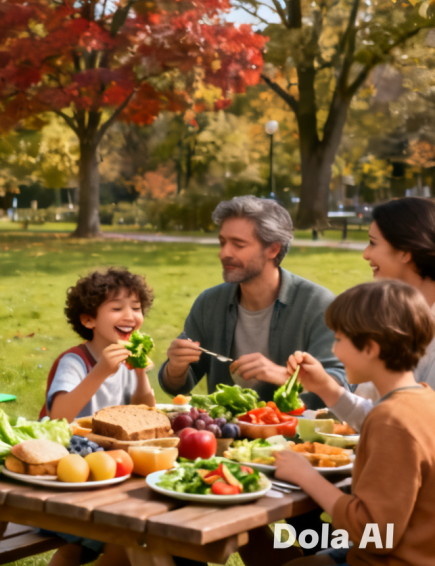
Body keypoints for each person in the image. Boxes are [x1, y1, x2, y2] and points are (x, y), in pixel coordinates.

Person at [276, 280, 435, 566]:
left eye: (338, 339)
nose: (334, 352)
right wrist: (325, 386)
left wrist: (306, 476)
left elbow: (375, 534)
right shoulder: (423, 400)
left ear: (370, 348)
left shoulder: (392, 421)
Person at [158, 196, 346, 408]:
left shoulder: (318, 304)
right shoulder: (209, 303)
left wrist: (283, 375)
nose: (224, 253)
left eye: (238, 245)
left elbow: (341, 385)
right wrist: (175, 367)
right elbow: (177, 386)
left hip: (298, 437)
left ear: (273, 249)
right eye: (222, 243)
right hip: (225, 435)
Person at [43, 268, 154, 566]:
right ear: (89, 319)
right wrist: (101, 371)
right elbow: (59, 416)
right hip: (64, 472)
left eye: (136, 307)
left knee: (114, 537)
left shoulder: (127, 359)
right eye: (117, 308)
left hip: (108, 467)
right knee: (122, 533)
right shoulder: (75, 361)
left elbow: (145, 413)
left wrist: (141, 374)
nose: (130, 315)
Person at [303, 197, 435, 431]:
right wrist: (325, 387)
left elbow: (406, 427)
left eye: (373, 243)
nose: (365, 254)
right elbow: (378, 415)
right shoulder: (392, 315)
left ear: (405, 251)